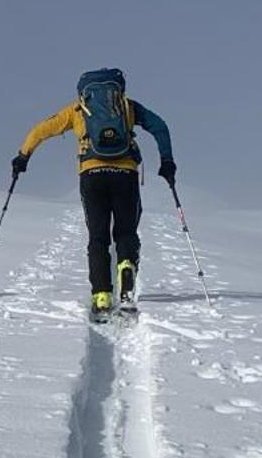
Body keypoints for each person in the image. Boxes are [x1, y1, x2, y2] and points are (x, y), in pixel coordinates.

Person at [12, 69, 175, 315]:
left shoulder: (76, 110)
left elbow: (41, 130)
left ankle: (101, 295)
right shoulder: (128, 107)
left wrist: (23, 157)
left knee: (98, 236)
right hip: (126, 175)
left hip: (92, 175)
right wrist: (167, 161)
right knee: (126, 231)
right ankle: (126, 270)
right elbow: (160, 127)